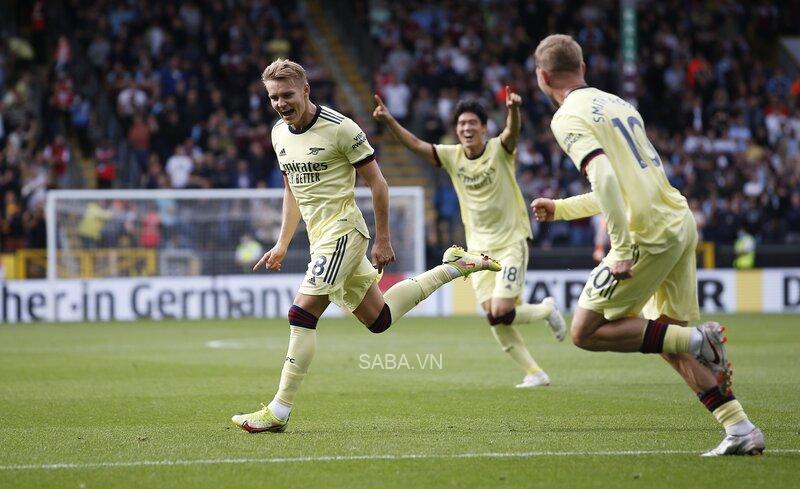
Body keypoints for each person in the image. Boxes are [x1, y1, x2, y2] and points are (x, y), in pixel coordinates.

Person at [231, 59, 501, 433]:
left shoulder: (341, 129)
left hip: (344, 233)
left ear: (306, 90)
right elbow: (291, 189)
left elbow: (378, 183)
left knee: (301, 315)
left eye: (287, 95)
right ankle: (456, 265)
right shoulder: (279, 133)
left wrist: (384, 238)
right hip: (320, 239)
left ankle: (279, 409)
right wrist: (281, 243)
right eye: (274, 97)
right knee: (380, 319)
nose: (280, 103)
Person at [530, 34, 764, 456]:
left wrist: (619, 248)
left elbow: (602, 177)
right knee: (665, 340)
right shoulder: (619, 103)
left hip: (644, 235)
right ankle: (740, 428)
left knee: (586, 331)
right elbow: (624, 184)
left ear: (543, 77)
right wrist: (562, 209)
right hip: (676, 220)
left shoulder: (567, 116)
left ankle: (700, 341)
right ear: (582, 68)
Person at [374, 89, 566, 389]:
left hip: (511, 241)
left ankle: (546, 310)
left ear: (484, 127)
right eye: (461, 123)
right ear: (457, 129)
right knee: (493, 315)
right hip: (477, 249)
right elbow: (415, 144)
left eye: (472, 123)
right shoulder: (452, 156)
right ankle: (534, 372)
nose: (466, 128)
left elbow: (512, 133)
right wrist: (389, 121)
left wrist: (514, 110)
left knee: (502, 310)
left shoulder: (499, 149)